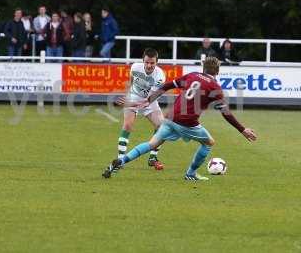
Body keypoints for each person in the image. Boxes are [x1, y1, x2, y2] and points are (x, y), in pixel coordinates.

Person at [102, 56, 257, 180]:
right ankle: (190, 174)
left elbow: (167, 86)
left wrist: (147, 100)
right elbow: (226, 113)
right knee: (209, 143)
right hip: (187, 123)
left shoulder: (192, 75)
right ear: (217, 71)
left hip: (171, 117)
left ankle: (121, 161)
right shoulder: (215, 87)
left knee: (152, 143)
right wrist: (242, 130)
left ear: (203, 68)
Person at [117, 48, 166, 169]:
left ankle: (152, 157)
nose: (149, 65)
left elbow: (148, 101)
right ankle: (119, 160)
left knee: (162, 128)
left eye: (152, 63)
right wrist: (128, 96)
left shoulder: (160, 76)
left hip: (149, 100)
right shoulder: (135, 67)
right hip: (134, 96)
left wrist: (131, 104)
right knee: (128, 125)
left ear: (156, 62)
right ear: (143, 61)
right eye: (147, 62)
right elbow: (131, 82)